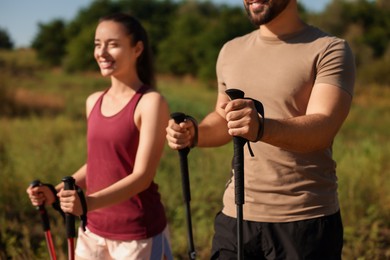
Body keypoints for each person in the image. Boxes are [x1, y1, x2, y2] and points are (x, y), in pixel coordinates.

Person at [166, 0, 355, 259]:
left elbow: (323, 126)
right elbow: (224, 119)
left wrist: (262, 128)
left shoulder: (329, 49)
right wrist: (193, 133)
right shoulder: (231, 50)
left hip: (304, 220)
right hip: (235, 217)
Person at [26, 13, 173, 260]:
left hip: (137, 235)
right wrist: (56, 191)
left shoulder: (150, 102)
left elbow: (142, 177)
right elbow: (98, 164)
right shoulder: (93, 101)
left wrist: (87, 204)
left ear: (137, 49)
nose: (102, 52)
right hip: (91, 231)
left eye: (113, 44)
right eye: (97, 44)